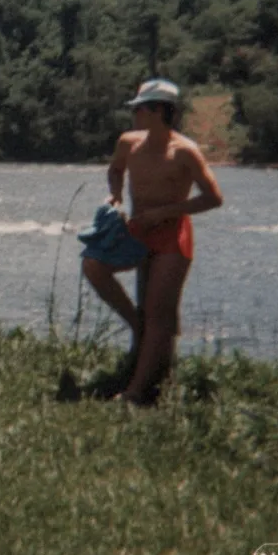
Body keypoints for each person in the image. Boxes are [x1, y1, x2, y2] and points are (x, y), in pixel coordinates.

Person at [83, 79, 223, 404]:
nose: (134, 114)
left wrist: (166, 212)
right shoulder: (128, 143)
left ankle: (137, 390)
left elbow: (214, 198)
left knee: (160, 313)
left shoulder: (185, 151)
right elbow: (115, 171)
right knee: (93, 264)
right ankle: (137, 326)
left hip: (173, 236)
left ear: (159, 111)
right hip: (136, 230)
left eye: (140, 108)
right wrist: (115, 197)